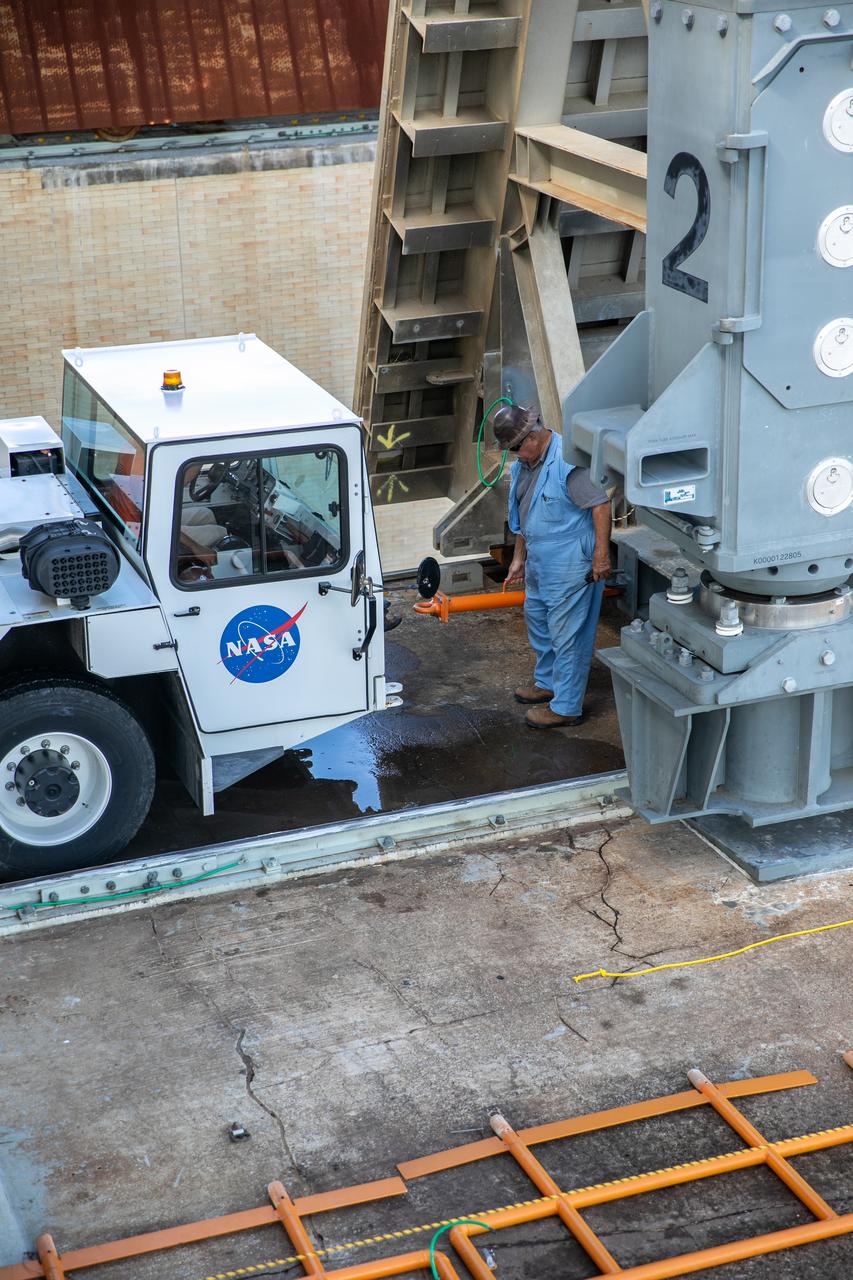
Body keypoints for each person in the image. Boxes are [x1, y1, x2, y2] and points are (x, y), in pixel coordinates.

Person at [495, 403, 611, 729]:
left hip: (570, 560)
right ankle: (547, 683)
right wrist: (519, 558)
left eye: (517, 447)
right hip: (540, 560)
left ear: (534, 435)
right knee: (539, 623)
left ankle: (566, 707)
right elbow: (525, 514)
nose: (515, 455)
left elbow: (601, 505)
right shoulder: (527, 464)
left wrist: (601, 556)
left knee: (568, 636)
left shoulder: (568, 463)